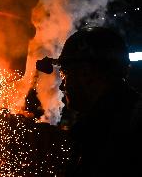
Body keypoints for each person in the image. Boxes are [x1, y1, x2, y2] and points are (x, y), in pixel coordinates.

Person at [36, 27, 142, 176]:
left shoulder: (118, 130)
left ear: (87, 73)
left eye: (64, 74)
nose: (62, 85)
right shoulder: (120, 116)